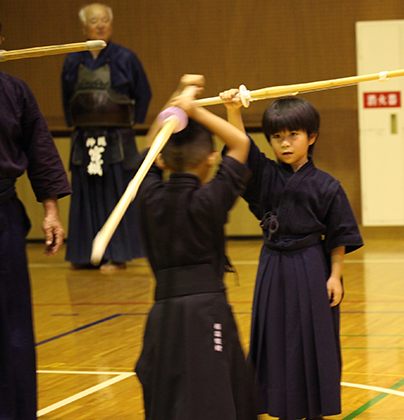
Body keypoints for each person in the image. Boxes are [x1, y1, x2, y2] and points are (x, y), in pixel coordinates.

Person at [220, 89, 364, 420]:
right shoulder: (266, 174)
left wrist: (335, 276)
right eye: (277, 137)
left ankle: (312, 407)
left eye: (293, 135)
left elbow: (339, 235)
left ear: (311, 137)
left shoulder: (328, 185)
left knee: (312, 337)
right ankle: (276, 404)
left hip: (312, 264)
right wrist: (233, 110)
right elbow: (240, 146)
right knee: (273, 334)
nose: (285, 143)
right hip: (273, 265)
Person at [134, 75, 258, 420]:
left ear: (160, 160)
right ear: (210, 159)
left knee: (169, 399)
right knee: (215, 399)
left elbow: (150, 149)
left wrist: (178, 101)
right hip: (207, 313)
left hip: (163, 316)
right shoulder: (210, 199)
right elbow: (241, 145)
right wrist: (197, 111)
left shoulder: (149, 196)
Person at [0, 21, 72, 420]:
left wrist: (50, 210)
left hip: (3, 219)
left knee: (11, 324)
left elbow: (41, 150)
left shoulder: (14, 90)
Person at [61, 2, 152, 270]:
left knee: (117, 193)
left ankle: (118, 253)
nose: (100, 25)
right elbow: (67, 96)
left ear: (111, 24)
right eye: (93, 21)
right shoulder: (72, 59)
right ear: (83, 26)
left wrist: (131, 124)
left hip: (117, 139)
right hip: (84, 137)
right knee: (85, 194)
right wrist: (73, 123)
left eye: (104, 20)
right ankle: (84, 254)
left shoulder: (126, 58)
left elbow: (143, 93)